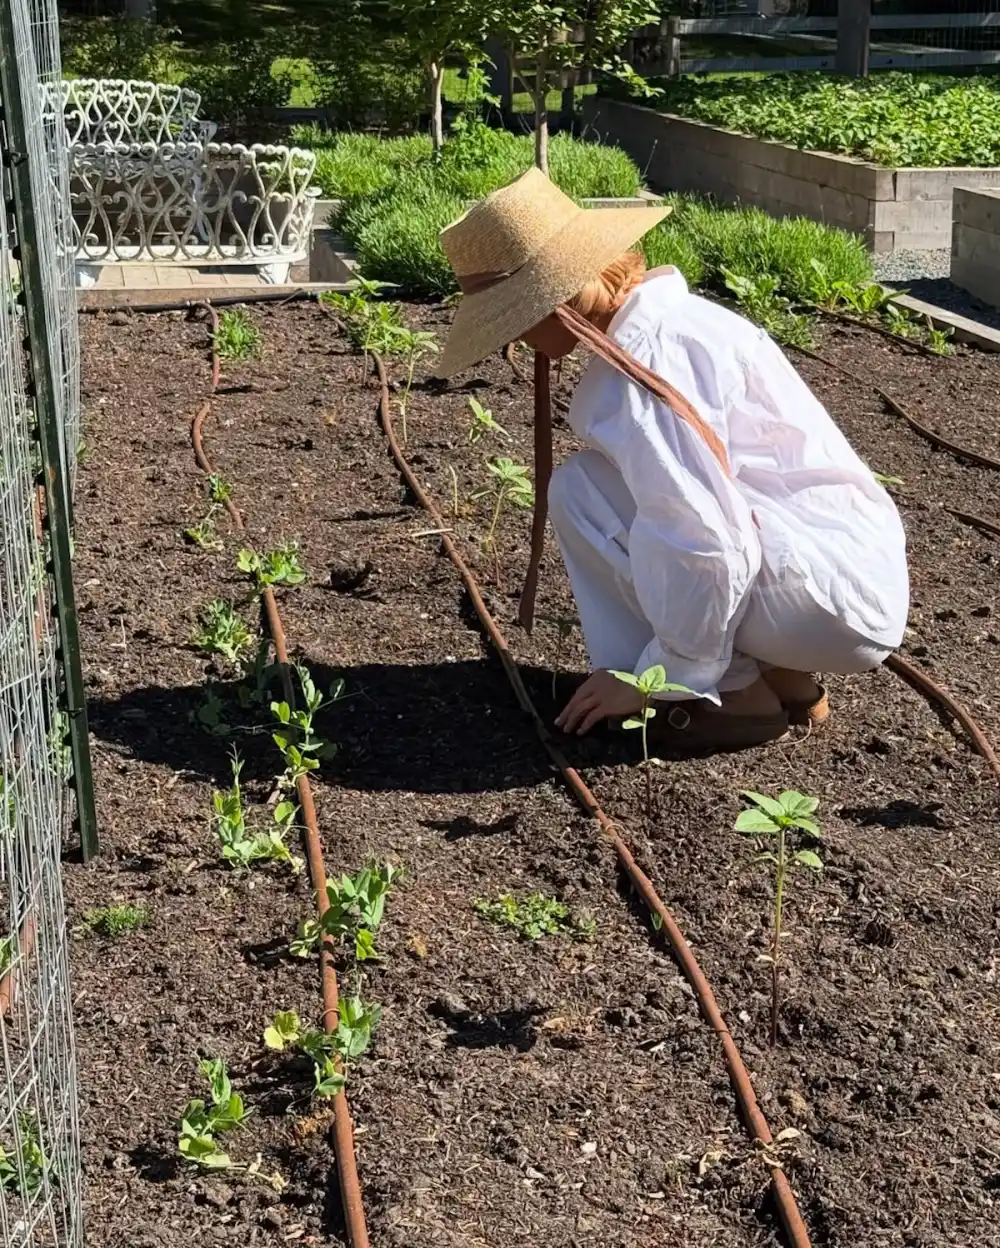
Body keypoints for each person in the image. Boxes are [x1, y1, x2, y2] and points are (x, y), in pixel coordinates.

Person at [434, 168, 909, 752]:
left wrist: (658, 675)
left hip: (823, 604)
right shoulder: (679, 325)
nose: (518, 341)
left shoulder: (644, 369)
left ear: (561, 299)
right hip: (846, 579)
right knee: (590, 484)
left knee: (591, 498)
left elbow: (705, 539)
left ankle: (733, 696)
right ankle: (784, 676)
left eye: (514, 319)